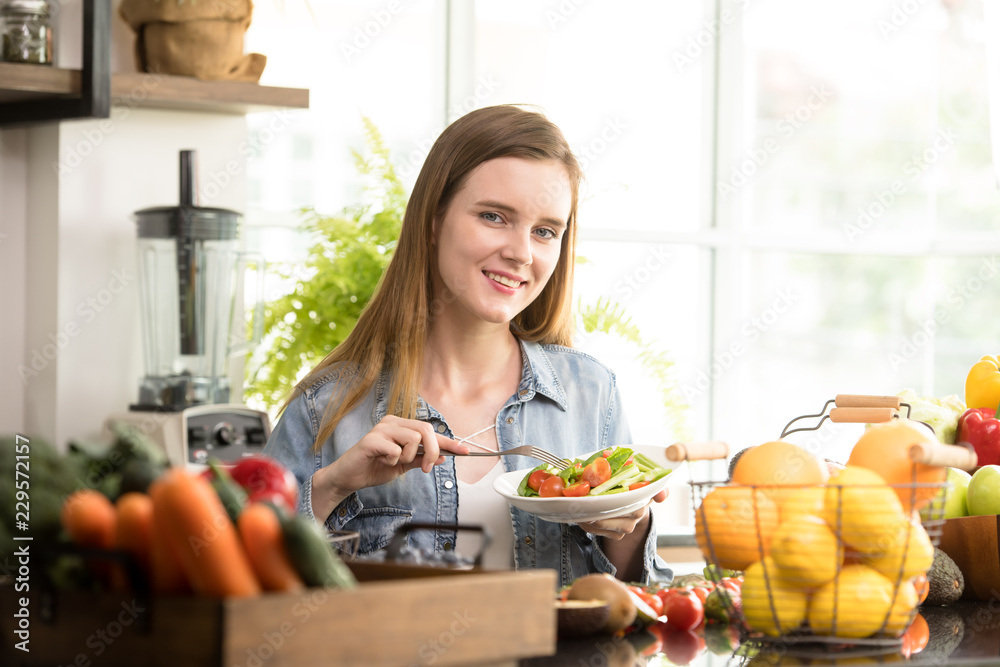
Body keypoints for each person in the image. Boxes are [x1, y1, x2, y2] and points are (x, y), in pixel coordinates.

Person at [263, 105, 674, 586]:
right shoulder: (327, 409)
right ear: (434, 221)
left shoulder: (591, 392)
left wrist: (629, 522)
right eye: (494, 217)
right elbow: (239, 588)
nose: (521, 253)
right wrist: (331, 487)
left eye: (545, 231)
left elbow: (636, 599)